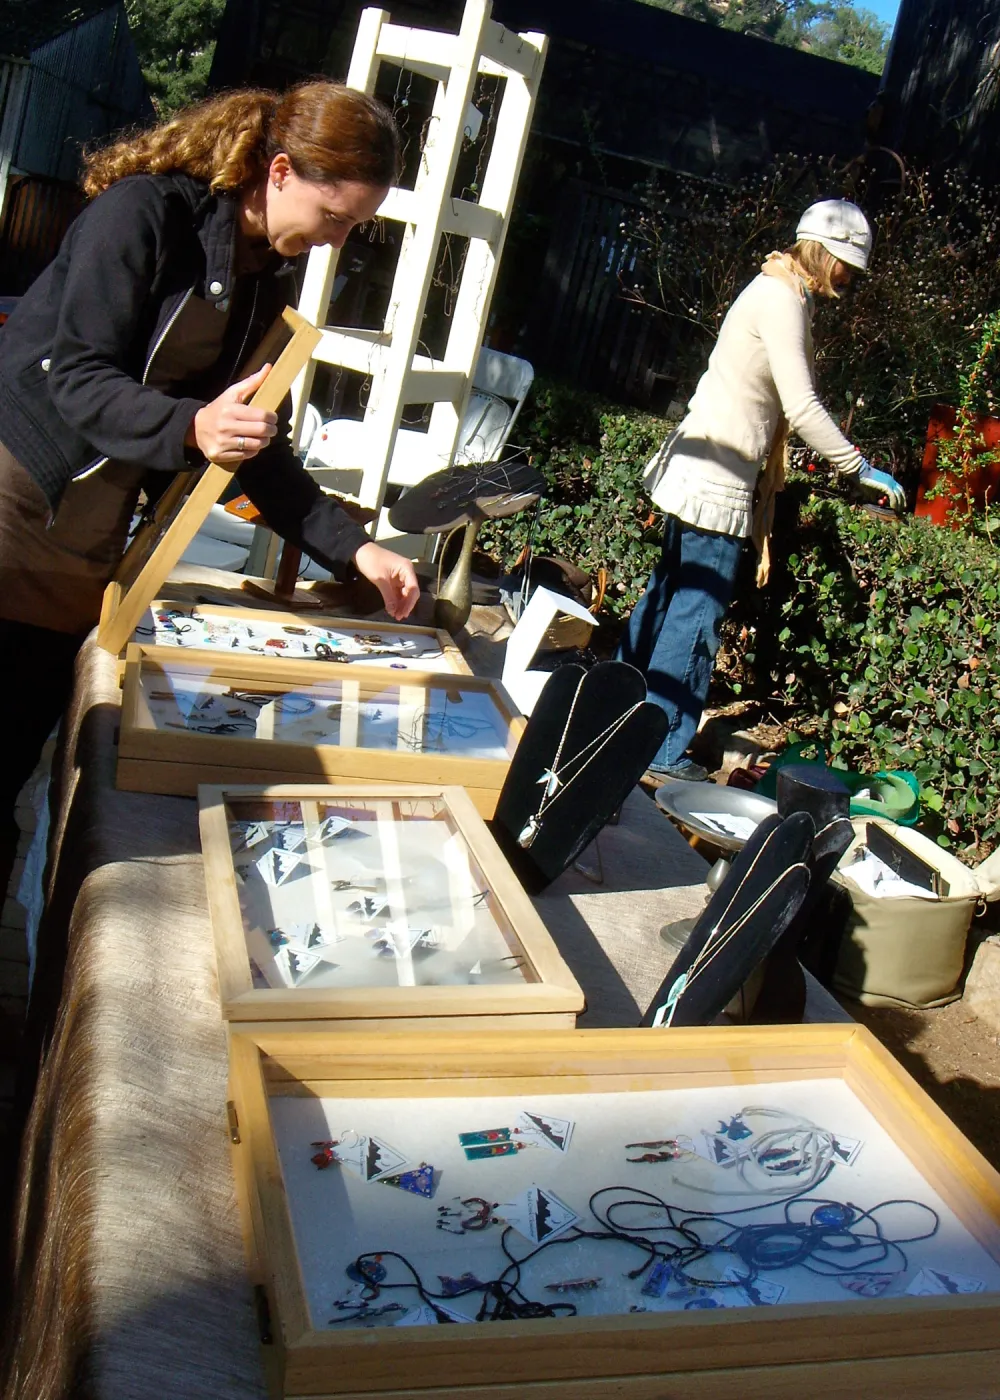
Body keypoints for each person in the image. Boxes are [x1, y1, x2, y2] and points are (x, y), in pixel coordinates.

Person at [0, 82, 420, 889]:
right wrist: (192, 426)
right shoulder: (142, 215)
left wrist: (356, 551)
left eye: (353, 226)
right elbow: (75, 377)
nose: (337, 241)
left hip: (82, 549)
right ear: (281, 171)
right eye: (336, 217)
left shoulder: (265, 278)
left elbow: (255, 450)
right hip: (14, 509)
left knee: (11, 761)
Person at [620, 199, 905, 782]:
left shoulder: (774, 286)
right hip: (717, 476)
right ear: (827, 255)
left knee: (667, 594)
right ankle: (660, 750)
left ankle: (615, 711)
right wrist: (857, 467)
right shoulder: (781, 300)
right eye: (850, 267)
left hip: (699, 461)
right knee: (694, 614)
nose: (851, 280)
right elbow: (801, 406)